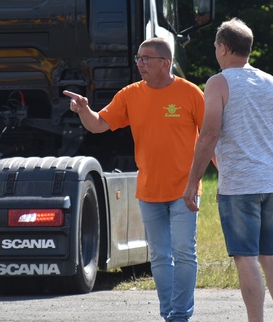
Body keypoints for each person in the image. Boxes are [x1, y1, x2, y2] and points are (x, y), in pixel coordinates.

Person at [63, 37, 204, 322]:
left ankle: (181, 315)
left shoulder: (190, 93)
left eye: (146, 59)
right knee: (161, 257)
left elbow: (212, 138)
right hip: (149, 191)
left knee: (184, 253)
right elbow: (99, 124)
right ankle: (170, 314)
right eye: (138, 58)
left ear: (165, 63)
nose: (140, 64)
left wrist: (224, 178)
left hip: (184, 190)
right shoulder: (130, 94)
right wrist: (83, 111)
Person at [183, 18, 273, 322]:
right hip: (271, 183)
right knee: (270, 257)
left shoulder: (219, 83)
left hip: (240, 185)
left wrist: (193, 182)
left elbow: (208, 135)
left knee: (245, 257)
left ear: (223, 48)